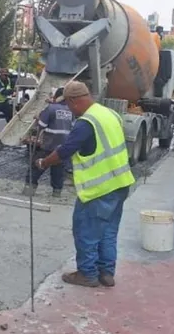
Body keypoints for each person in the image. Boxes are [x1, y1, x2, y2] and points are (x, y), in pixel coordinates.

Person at [36, 81, 135, 288]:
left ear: (74, 101)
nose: (69, 110)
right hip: (121, 183)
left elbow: (65, 151)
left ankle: (87, 274)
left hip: (98, 189)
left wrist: (43, 162)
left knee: (86, 231)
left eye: (69, 105)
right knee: (108, 231)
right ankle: (106, 273)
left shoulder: (86, 122)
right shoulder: (109, 114)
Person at [23, 87, 73, 198]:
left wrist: (37, 118)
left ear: (57, 96)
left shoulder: (51, 109)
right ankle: (56, 194)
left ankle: (28, 192)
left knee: (35, 167)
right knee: (57, 172)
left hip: (49, 146)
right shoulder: (70, 110)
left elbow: (41, 125)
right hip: (62, 148)